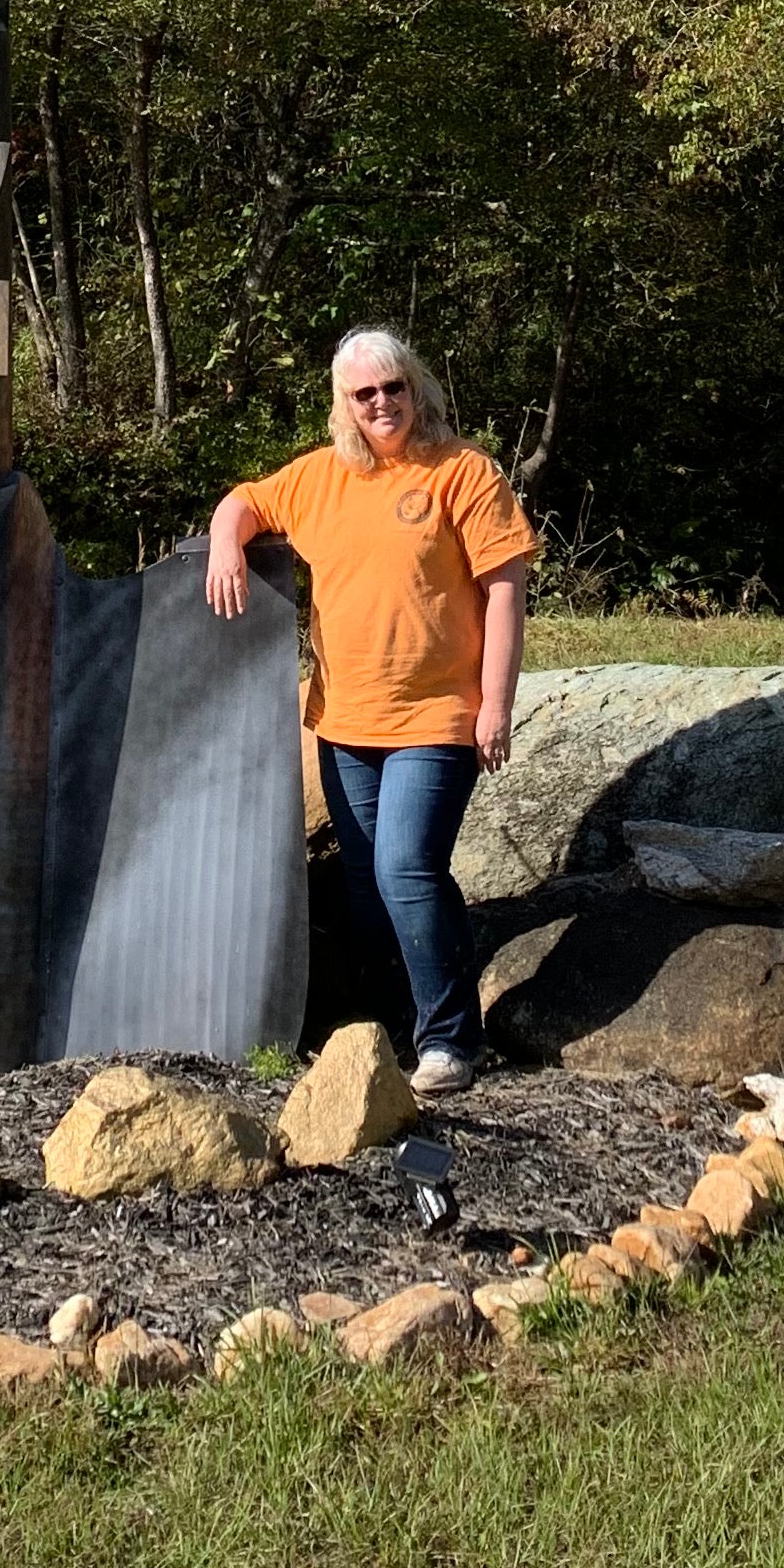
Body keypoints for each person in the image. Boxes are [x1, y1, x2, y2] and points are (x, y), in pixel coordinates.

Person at [205, 326, 533, 1094]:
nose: (382, 403)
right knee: (363, 882)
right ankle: (390, 1032)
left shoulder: (465, 472)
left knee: (407, 868)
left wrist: (496, 705)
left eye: (393, 387)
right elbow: (244, 502)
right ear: (343, 406)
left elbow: (507, 590)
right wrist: (227, 545)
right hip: (344, 722)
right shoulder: (319, 478)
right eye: (365, 394)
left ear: (416, 388)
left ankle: (453, 1038)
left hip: (439, 717)